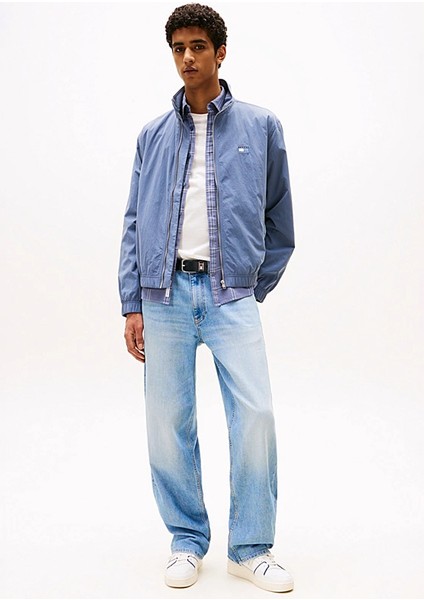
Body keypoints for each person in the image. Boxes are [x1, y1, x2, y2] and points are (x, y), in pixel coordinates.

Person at [118, 3, 295, 593]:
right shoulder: (151, 136)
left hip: (230, 296)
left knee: (256, 417)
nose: (187, 58)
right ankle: (186, 541)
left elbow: (279, 216)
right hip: (163, 293)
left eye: (198, 46)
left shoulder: (261, 126)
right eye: (178, 48)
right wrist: (133, 302)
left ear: (220, 52)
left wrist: (252, 284)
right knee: (168, 423)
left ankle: (250, 548)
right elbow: (134, 221)